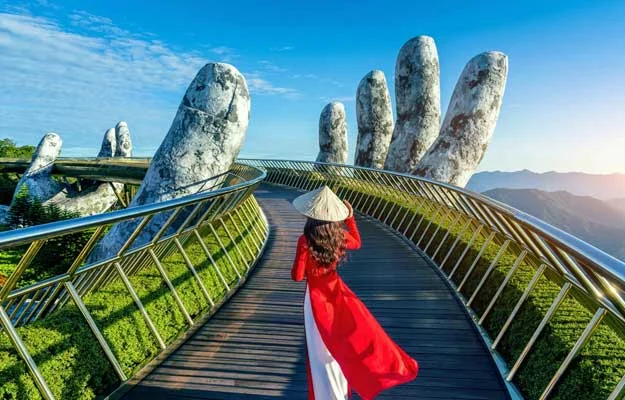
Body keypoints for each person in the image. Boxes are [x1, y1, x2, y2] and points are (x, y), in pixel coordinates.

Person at [291, 185, 419, 400]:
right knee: (340, 347)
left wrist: (307, 267)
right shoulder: (339, 236)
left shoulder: (305, 240)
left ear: (310, 214)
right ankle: (341, 392)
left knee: (319, 352)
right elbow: (357, 243)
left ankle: (325, 395)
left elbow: (296, 276)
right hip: (339, 294)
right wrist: (350, 219)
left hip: (315, 300)